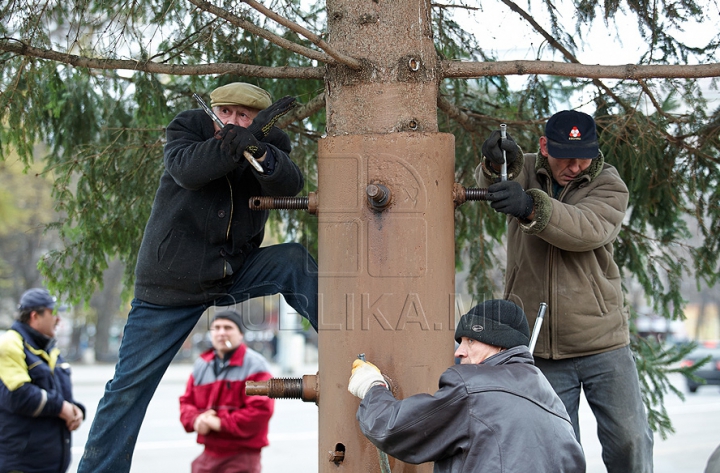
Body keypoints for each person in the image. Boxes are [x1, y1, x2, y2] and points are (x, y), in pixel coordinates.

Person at [78, 82, 318, 473]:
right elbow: (189, 171)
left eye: (244, 116)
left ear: (257, 121)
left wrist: (257, 147)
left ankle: (347, 341)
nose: (234, 121)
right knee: (126, 392)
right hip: (169, 285)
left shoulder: (269, 142)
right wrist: (232, 145)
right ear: (214, 111)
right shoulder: (187, 128)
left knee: (292, 258)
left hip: (232, 274)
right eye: (227, 113)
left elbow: (289, 183)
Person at [476, 110, 653, 472]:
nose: (575, 166)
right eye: (565, 158)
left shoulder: (609, 184)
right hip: (541, 345)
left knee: (630, 440)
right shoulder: (524, 168)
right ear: (544, 146)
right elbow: (491, 182)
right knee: (557, 448)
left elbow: (587, 229)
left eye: (583, 157)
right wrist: (495, 165)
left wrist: (530, 206)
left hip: (602, 340)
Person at [348, 299, 586, 473]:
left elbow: (393, 428)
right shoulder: (558, 411)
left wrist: (372, 387)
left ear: (502, 346)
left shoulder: (474, 387)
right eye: (460, 342)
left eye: (471, 340)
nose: (460, 351)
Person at [0, 288, 85, 473]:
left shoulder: (49, 349)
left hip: (50, 465)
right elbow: (19, 395)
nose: (58, 319)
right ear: (34, 315)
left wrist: (76, 410)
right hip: (22, 465)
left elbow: (58, 395)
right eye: (53, 313)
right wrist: (63, 409)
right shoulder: (11, 344)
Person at [180, 310, 274, 473]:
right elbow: (186, 401)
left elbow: (260, 411)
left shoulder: (256, 366)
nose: (221, 333)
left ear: (241, 335)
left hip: (242, 457)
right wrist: (196, 420)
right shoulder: (202, 365)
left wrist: (220, 423)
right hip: (208, 455)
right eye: (216, 328)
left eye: (228, 327)